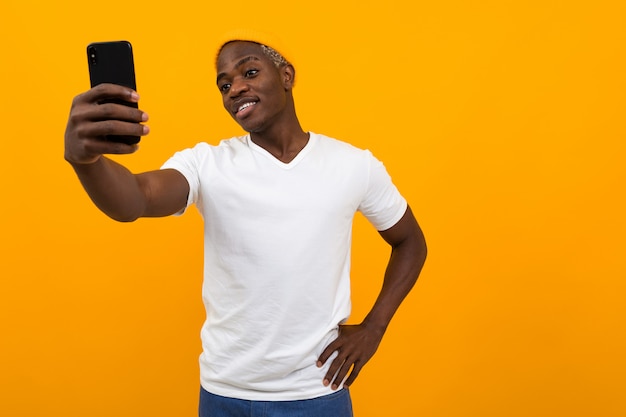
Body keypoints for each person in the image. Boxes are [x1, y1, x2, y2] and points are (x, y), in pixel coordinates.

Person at [64, 29, 427, 417]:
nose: (234, 88)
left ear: (286, 76)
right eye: (224, 85)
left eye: (248, 73)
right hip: (225, 395)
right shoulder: (208, 164)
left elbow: (411, 242)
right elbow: (137, 198)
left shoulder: (353, 165)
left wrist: (375, 327)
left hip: (316, 393)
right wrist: (86, 162)